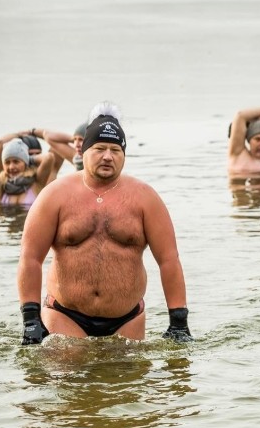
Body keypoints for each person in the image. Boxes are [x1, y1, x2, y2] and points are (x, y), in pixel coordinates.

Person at [16, 102, 193, 344]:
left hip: (127, 319)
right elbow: (30, 257)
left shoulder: (145, 198)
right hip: (65, 314)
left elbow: (169, 260)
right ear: (83, 151)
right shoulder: (54, 195)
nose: (108, 156)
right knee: (66, 378)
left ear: (124, 155)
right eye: (99, 148)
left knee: (126, 381)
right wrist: (31, 319)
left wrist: (179, 321)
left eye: (115, 150)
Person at [0, 123, 56, 208]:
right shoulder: (0, 185)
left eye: (16, 162)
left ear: (25, 163)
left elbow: (49, 157)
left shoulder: (37, 181)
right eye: (7, 162)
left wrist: (28, 159)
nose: (11, 167)